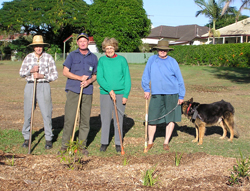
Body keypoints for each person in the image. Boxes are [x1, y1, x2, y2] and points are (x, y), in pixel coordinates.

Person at [141, 39, 185, 151]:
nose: (162, 51)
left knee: (170, 118)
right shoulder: (152, 60)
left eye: (165, 50)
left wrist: (181, 96)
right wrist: (146, 89)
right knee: (152, 117)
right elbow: (146, 75)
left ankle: (166, 142)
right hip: (156, 93)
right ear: (157, 50)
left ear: (167, 51)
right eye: (160, 49)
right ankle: (150, 141)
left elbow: (180, 79)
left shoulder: (172, 61)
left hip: (172, 94)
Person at [60, 33, 98, 155]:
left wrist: (88, 81)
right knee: (70, 118)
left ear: (88, 43)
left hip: (87, 91)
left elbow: (95, 75)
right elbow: (65, 72)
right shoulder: (72, 55)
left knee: (85, 120)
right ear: (77, 43)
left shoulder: (93, 58)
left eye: (85, 41)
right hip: (73, 90)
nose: (82, 43)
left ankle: (82, 146)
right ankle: (65, 145)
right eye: (80, 41)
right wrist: (79, 78)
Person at [19, 35, 58, 149]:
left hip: (43, 85)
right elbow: (21, 73)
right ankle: (27, 138)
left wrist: (42, 75)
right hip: (30, 85)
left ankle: (48, 139)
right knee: (28, 113)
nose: (38, 48)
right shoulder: (28, 57)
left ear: (43, 46)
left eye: (40, 46)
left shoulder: (48, 57)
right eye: (36, 46)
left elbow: (55, 75)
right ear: (33, 47)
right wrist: (30, 71)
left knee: (46, 113)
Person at [97, 37, 131, 153]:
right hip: (105, 93)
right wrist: (109, 90)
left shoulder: (122, 60)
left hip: (120, 93)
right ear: (104, 49)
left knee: (118, 119)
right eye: (107, 48)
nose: (109, 50)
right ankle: (104, 142)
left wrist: (125, 94)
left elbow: (127, 78)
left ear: (115, 48)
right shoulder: (102, 60)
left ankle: (118, 142)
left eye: (111, 48)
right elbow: (100, 77)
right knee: (105, 118)